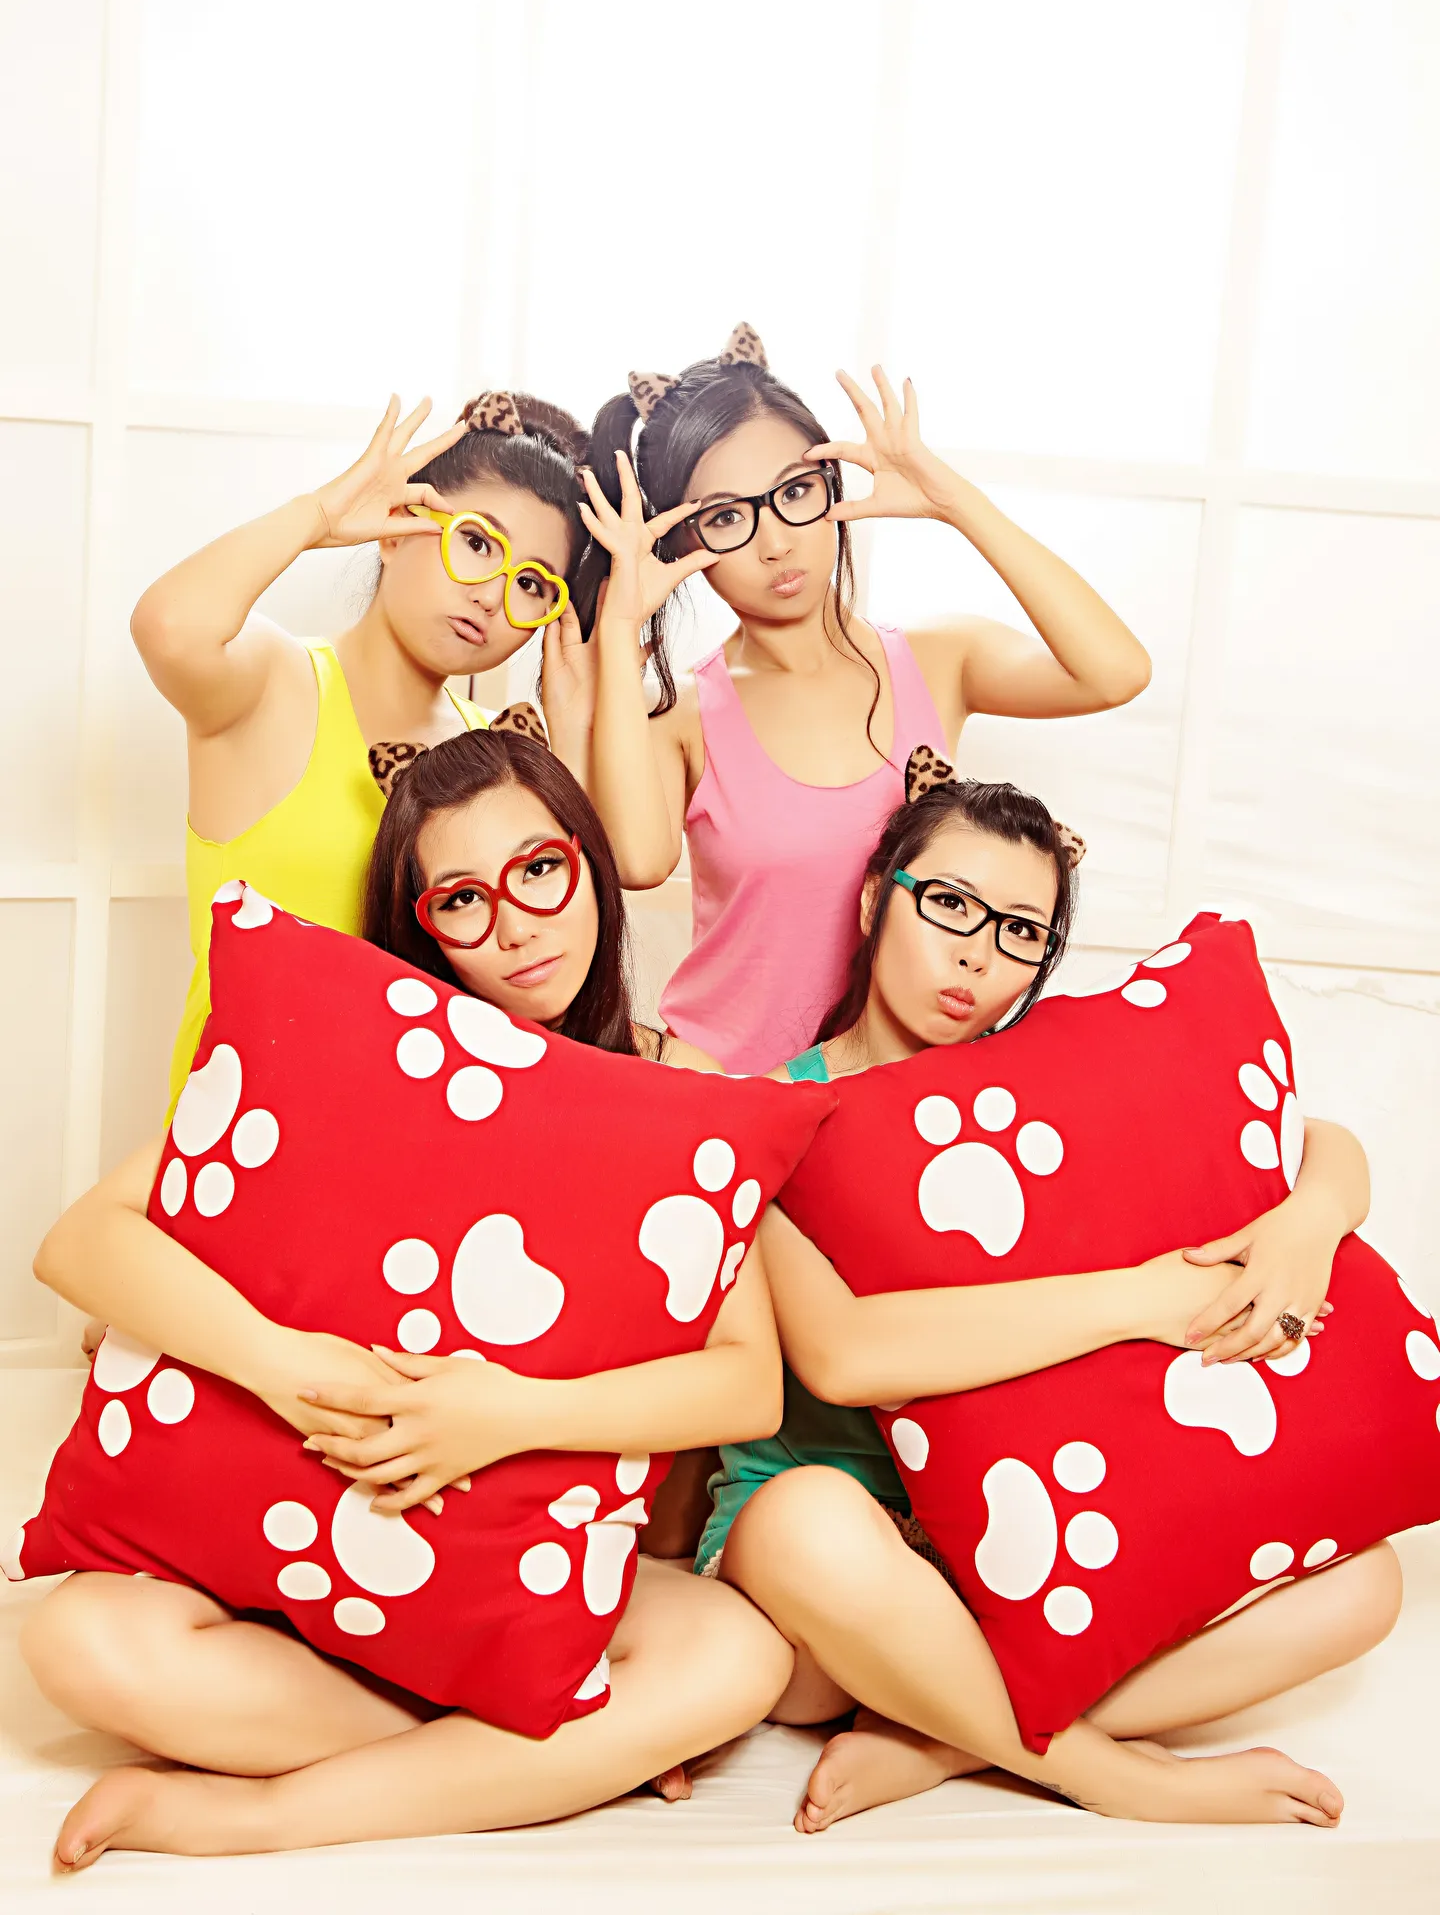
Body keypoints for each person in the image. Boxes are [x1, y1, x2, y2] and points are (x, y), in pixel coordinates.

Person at [23, 731, 792, 1866]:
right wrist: (292, 1366)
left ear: (588, 861)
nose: (517, 924)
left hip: (517, 1551)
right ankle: (549, 1748)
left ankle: (272, 1812)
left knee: (739, 1654)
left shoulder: (681, 1088)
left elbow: (748, 1383)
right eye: (463, 899)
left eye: (541, 868)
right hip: (304, 1532)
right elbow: (84, 1240)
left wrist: (506, 1413)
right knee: (78, 1640)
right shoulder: (354, 1051)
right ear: (421, 923)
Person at [706, 759, 1395, 1832]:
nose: (977, 954)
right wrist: (1141, 1299)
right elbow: (842, 1354)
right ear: (876, 897)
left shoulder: (1050, 1085)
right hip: (833, 1588)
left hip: (1013, 1550)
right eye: (949, 904)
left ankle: (945, 1737)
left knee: (1368, 1583)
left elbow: (1312, 1136)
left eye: (1021, 930)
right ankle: (1105, 1771)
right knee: (806, 1519)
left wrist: (1310, 1222)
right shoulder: (768, 1111)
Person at [577, 325, 1152, 1074]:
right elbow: (635, 860)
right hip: (732, 1093)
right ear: (683, 542)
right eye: (725, 517)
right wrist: (619, 625)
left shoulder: (939, 660)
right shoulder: (683, 714)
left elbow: (1116, 672)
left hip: (894, 1096)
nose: (775, 543)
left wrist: (952, 501)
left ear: (831, 487)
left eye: (795, 493)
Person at [133, 388, 599, 1110]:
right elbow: (168, 628)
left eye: (532, 583)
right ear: (396, 527)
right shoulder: (276, 685)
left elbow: (559, 948)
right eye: (477, 543)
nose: (491, 595)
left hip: (420, 1143)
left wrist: (573, 725)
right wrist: (320, 516)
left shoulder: (498, 753)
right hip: (241, 1139)